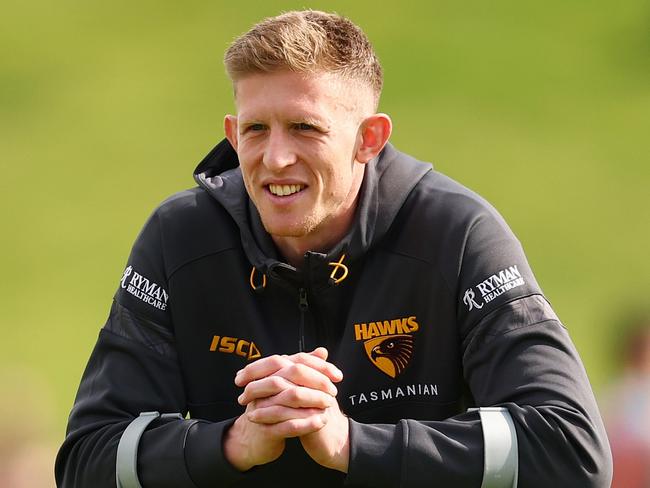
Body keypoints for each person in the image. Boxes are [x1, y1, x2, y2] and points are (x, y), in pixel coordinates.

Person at [55, 10, 612, 487]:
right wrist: (230, 444)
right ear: (230, 134)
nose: (275, 159)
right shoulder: (178, 239)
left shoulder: (457, 234)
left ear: (369, 139)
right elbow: (85, 458)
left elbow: (573, 451)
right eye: (255, 130)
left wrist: (352, 443)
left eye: (304, 127)